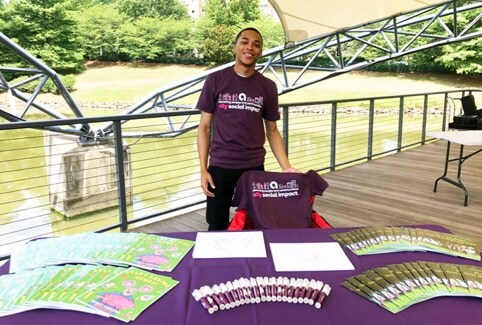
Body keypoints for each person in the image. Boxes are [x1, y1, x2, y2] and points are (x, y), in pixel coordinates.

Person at [196, 27, 299, 231]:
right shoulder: (215, 80)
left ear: (260, 52)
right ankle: (219, 262)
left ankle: (249, 262)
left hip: (253, 167)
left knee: (253, 223)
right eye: (244, 42)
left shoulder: (268, 87)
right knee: (216, 225)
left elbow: (272, 131)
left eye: (256, 44)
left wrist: (286, 167)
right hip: (220, 166)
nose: (249, 47)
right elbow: (204, 128)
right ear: (235, 47)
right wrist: (203, 170)